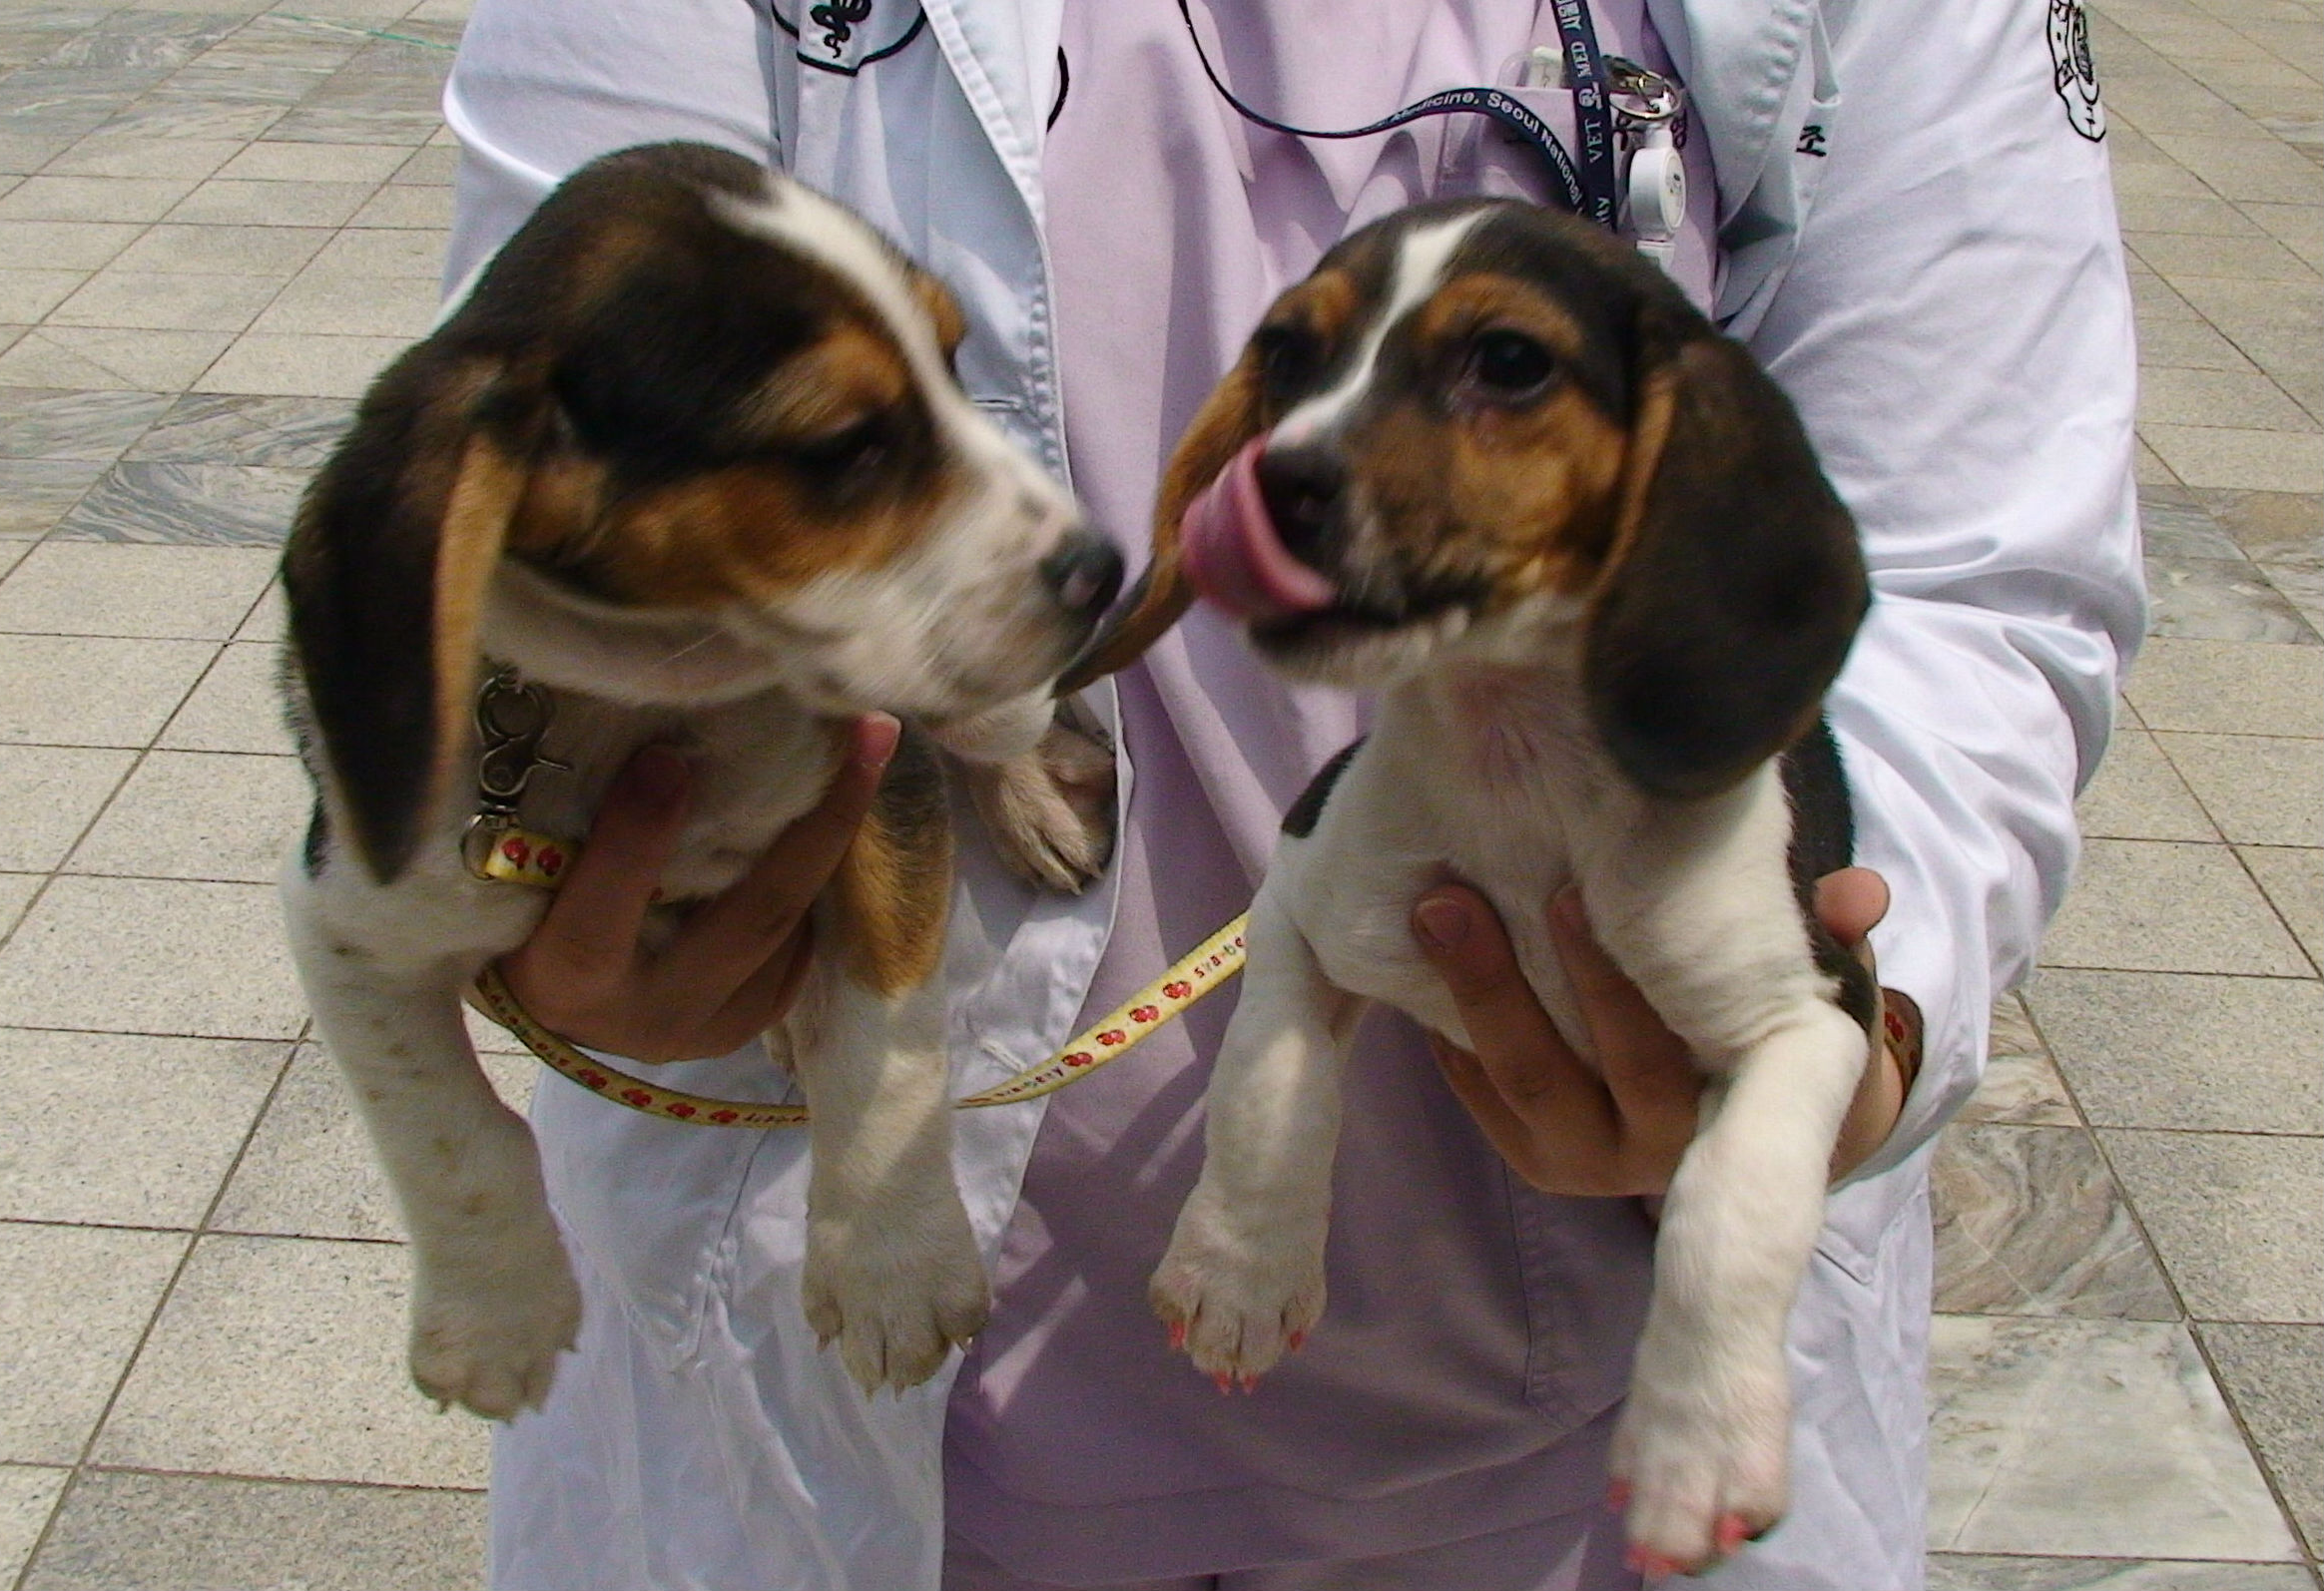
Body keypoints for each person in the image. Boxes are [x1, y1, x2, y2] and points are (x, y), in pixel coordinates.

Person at [436, 0, 2143, 1586]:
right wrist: (536, 846)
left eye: (1503, 374)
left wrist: (1837, 1020)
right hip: (858, 1402)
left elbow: (1979, 570)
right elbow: (535, 459)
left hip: (1577, 1466)